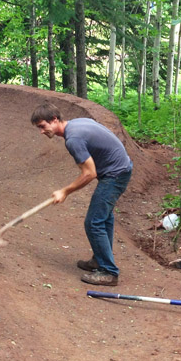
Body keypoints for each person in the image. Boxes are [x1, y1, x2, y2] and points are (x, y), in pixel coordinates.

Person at [31, 102, 133, 286]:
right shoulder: (77, 123)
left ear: (54, 119)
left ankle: (109, 272)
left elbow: (89, 173)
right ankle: (99, 260)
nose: (41, 131)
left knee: (94, 222)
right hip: (120, 168)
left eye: (42, 126)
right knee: (104, 218)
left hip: (115, 174)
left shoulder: (73, 139)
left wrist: (65, 191)